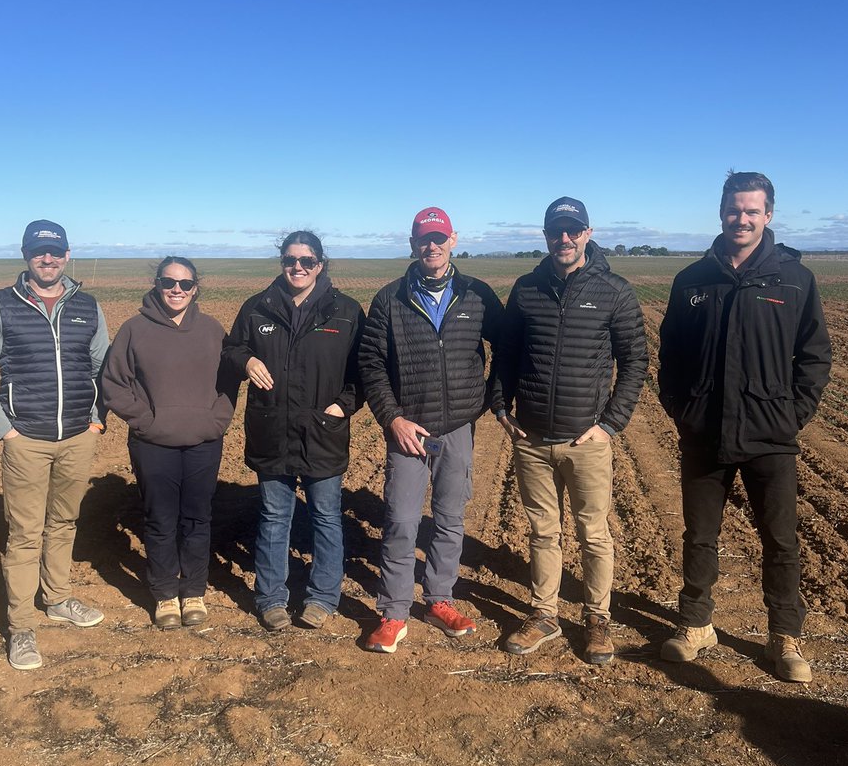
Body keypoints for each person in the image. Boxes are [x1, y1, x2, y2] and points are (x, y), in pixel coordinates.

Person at [658, 171, 831, 682]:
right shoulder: (692, 279)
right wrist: (681, 409)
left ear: (768, 216)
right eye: (735, 209)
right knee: (699, 535)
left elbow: (815, 356)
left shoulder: (794, 280)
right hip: (704, 431)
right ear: (721, 212)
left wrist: (791, 414)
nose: (742, 218)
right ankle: (695, 624)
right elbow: (669, 355)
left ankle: (784, 636)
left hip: (770, 435)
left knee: (780, 540)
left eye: (752, 210)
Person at [497, 197, 648, 660]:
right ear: (545, 235)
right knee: (543, 531)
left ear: (586, 233)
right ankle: (545, 615)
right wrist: (501, 408)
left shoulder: (614, 290)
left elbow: (636, 361)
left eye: (572, 230)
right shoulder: (526, 289)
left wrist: (610, 424)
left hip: (587, 440)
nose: (564, 238)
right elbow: (505, 354)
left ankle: (596, 617)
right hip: (532, 439)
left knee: (593, 533)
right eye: (555, 230)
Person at [357, 207, 505, 653]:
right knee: (401, 520)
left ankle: (439, 599)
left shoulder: (477, 295)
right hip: (408, 428)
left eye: (439, 237)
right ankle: (395, 611)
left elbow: (509, 347)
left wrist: (492, 398)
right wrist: (392, 417)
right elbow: (371, 363)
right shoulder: (390, 299)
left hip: (458, 426)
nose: (432, 246)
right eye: (424, 239)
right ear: (412, 244)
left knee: (449, 518)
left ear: (453, 239)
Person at [0, 220, 109, 670]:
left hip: (77, 438)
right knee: (25, 534)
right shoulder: (1, 305)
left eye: (55, 252)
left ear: (67, 255)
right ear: (26, 256)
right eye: (38, 252)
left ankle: (59, 598)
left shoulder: (87, 305)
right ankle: (22, 627)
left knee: (64, 522)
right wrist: (6, 431)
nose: (47, 260)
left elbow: (104, 369)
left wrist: (96, 420)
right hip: (25, 439)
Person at [223, 232, 364, 631]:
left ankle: (322, 597)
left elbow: (364, 370)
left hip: (323, 430)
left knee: (325, 516)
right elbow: (231, 348)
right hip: (272, 429)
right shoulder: (257, 308)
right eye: (289, 259)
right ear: (281, 262)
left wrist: (343, 406)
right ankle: (271, 597)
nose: (297, 267)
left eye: (306, 260)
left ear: (320, 263)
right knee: (273, 516)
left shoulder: (346, 311)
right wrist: (247, 360)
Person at [101, 257, 235, 630]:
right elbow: (114, 383)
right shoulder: (134, 329)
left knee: (197, 518)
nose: (177, 289)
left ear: (196, 288)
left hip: (203, 442)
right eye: (169, 282)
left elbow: (229, 384)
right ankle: (164, 595)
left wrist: (216, 421)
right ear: (157, 284)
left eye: (185, 284)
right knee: (160, 520)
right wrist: (147, 421)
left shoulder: (211, 330)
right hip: (152, 444)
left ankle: (192, 592)